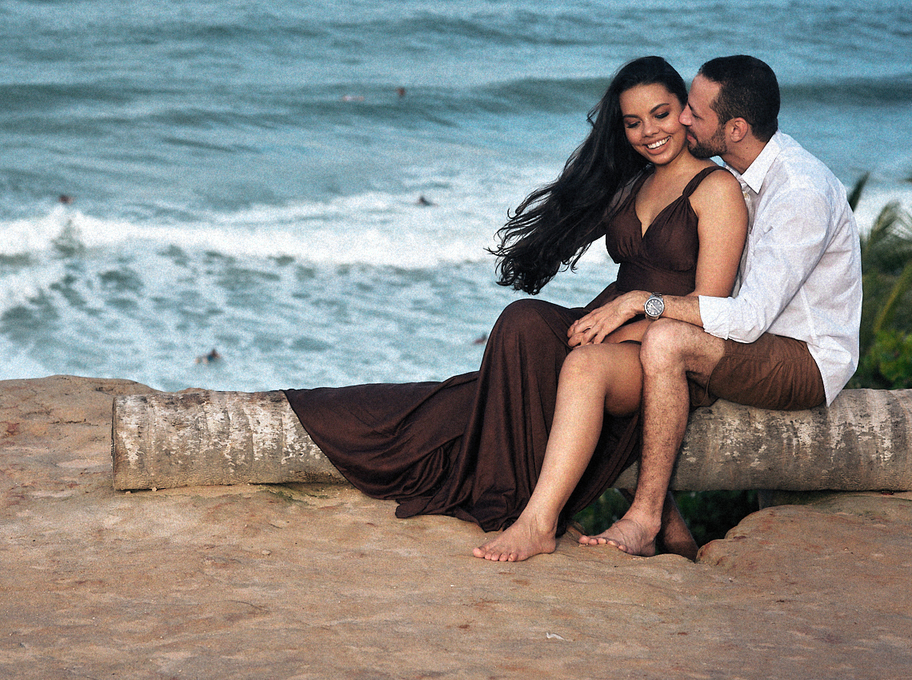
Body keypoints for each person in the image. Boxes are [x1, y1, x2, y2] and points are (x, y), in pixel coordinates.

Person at [284, 56, 748, 561]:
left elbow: (713, 309)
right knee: (520, 322)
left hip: (664, 354)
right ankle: (496, 476)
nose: (648, 132)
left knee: (585, 365)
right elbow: (566, 230)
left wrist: (632, 314)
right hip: (608, 328)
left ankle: (538, 523)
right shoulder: (632, 182)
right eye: (632, 122)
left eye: (661, 114)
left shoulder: (716, 189)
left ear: (685, 111)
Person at [579, 55, 863, 556]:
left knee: (663, 339)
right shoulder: (743, 173)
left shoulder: (797, 192)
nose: (683, 119)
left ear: (735, 128)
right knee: (612, 352)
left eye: (694, 111)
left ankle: (645, 518)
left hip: (805, 359)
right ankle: (675, 534)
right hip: (758, 342)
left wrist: (643, 303)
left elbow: (749, 319)